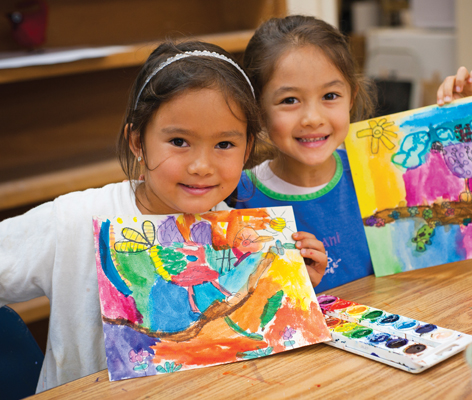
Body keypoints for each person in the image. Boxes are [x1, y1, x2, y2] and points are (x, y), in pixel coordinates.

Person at [0, 40, 326, 393]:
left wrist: (295, 283)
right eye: (179, 141)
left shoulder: (241, 234)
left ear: (247, 149)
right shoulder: (73, 219)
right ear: (138, 142)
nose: (202, 166)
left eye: (224, 145)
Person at [229, 15, 472, 293]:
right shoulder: (236, 196)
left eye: (330, 96)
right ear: (257, 110)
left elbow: (460, 213)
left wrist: (461, 122)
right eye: (289, 100)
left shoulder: (380, 174)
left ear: (351, 97)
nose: (313, 118)